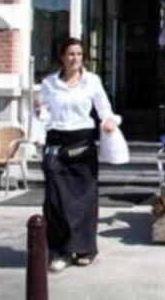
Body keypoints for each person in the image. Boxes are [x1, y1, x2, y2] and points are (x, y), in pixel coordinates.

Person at [37, 37, 119, 272]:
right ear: (62, 57)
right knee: (54, 201)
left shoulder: (91, 82)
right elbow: (42, 112)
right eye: (71, 54)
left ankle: (84, 248)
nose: (75, 59)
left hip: (82, 144)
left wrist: (109, 121)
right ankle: (58, 251)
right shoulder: (49, 83)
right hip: (56, 143)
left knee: (83, 200)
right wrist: (39, 113)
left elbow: (104, 108)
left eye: (79, 54)